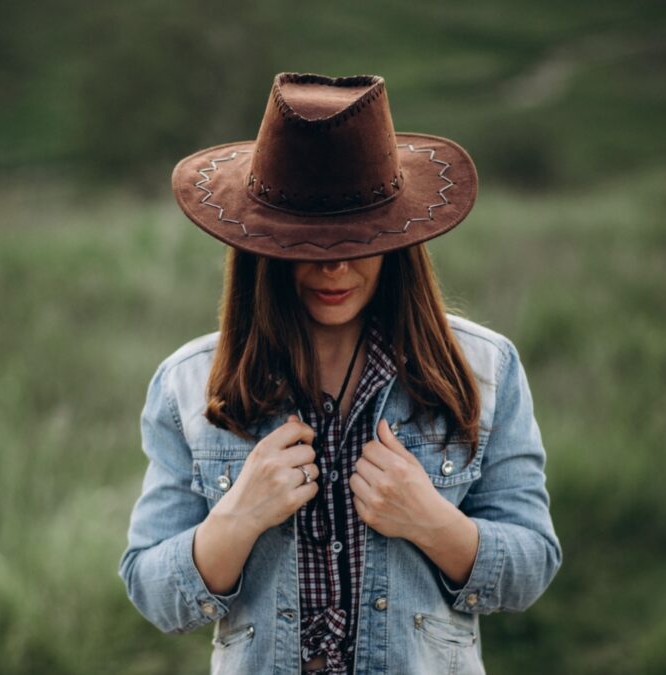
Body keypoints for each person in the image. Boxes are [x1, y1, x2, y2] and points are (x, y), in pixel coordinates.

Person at [118, 72, 561, 675]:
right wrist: (237, 518)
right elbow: (150, 588)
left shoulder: (483, 370)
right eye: (307, 245)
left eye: (357, 238)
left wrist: (432, 522)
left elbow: (532, 563)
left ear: (399, 237)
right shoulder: (190, 383)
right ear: (262, 250)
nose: (335, 268)